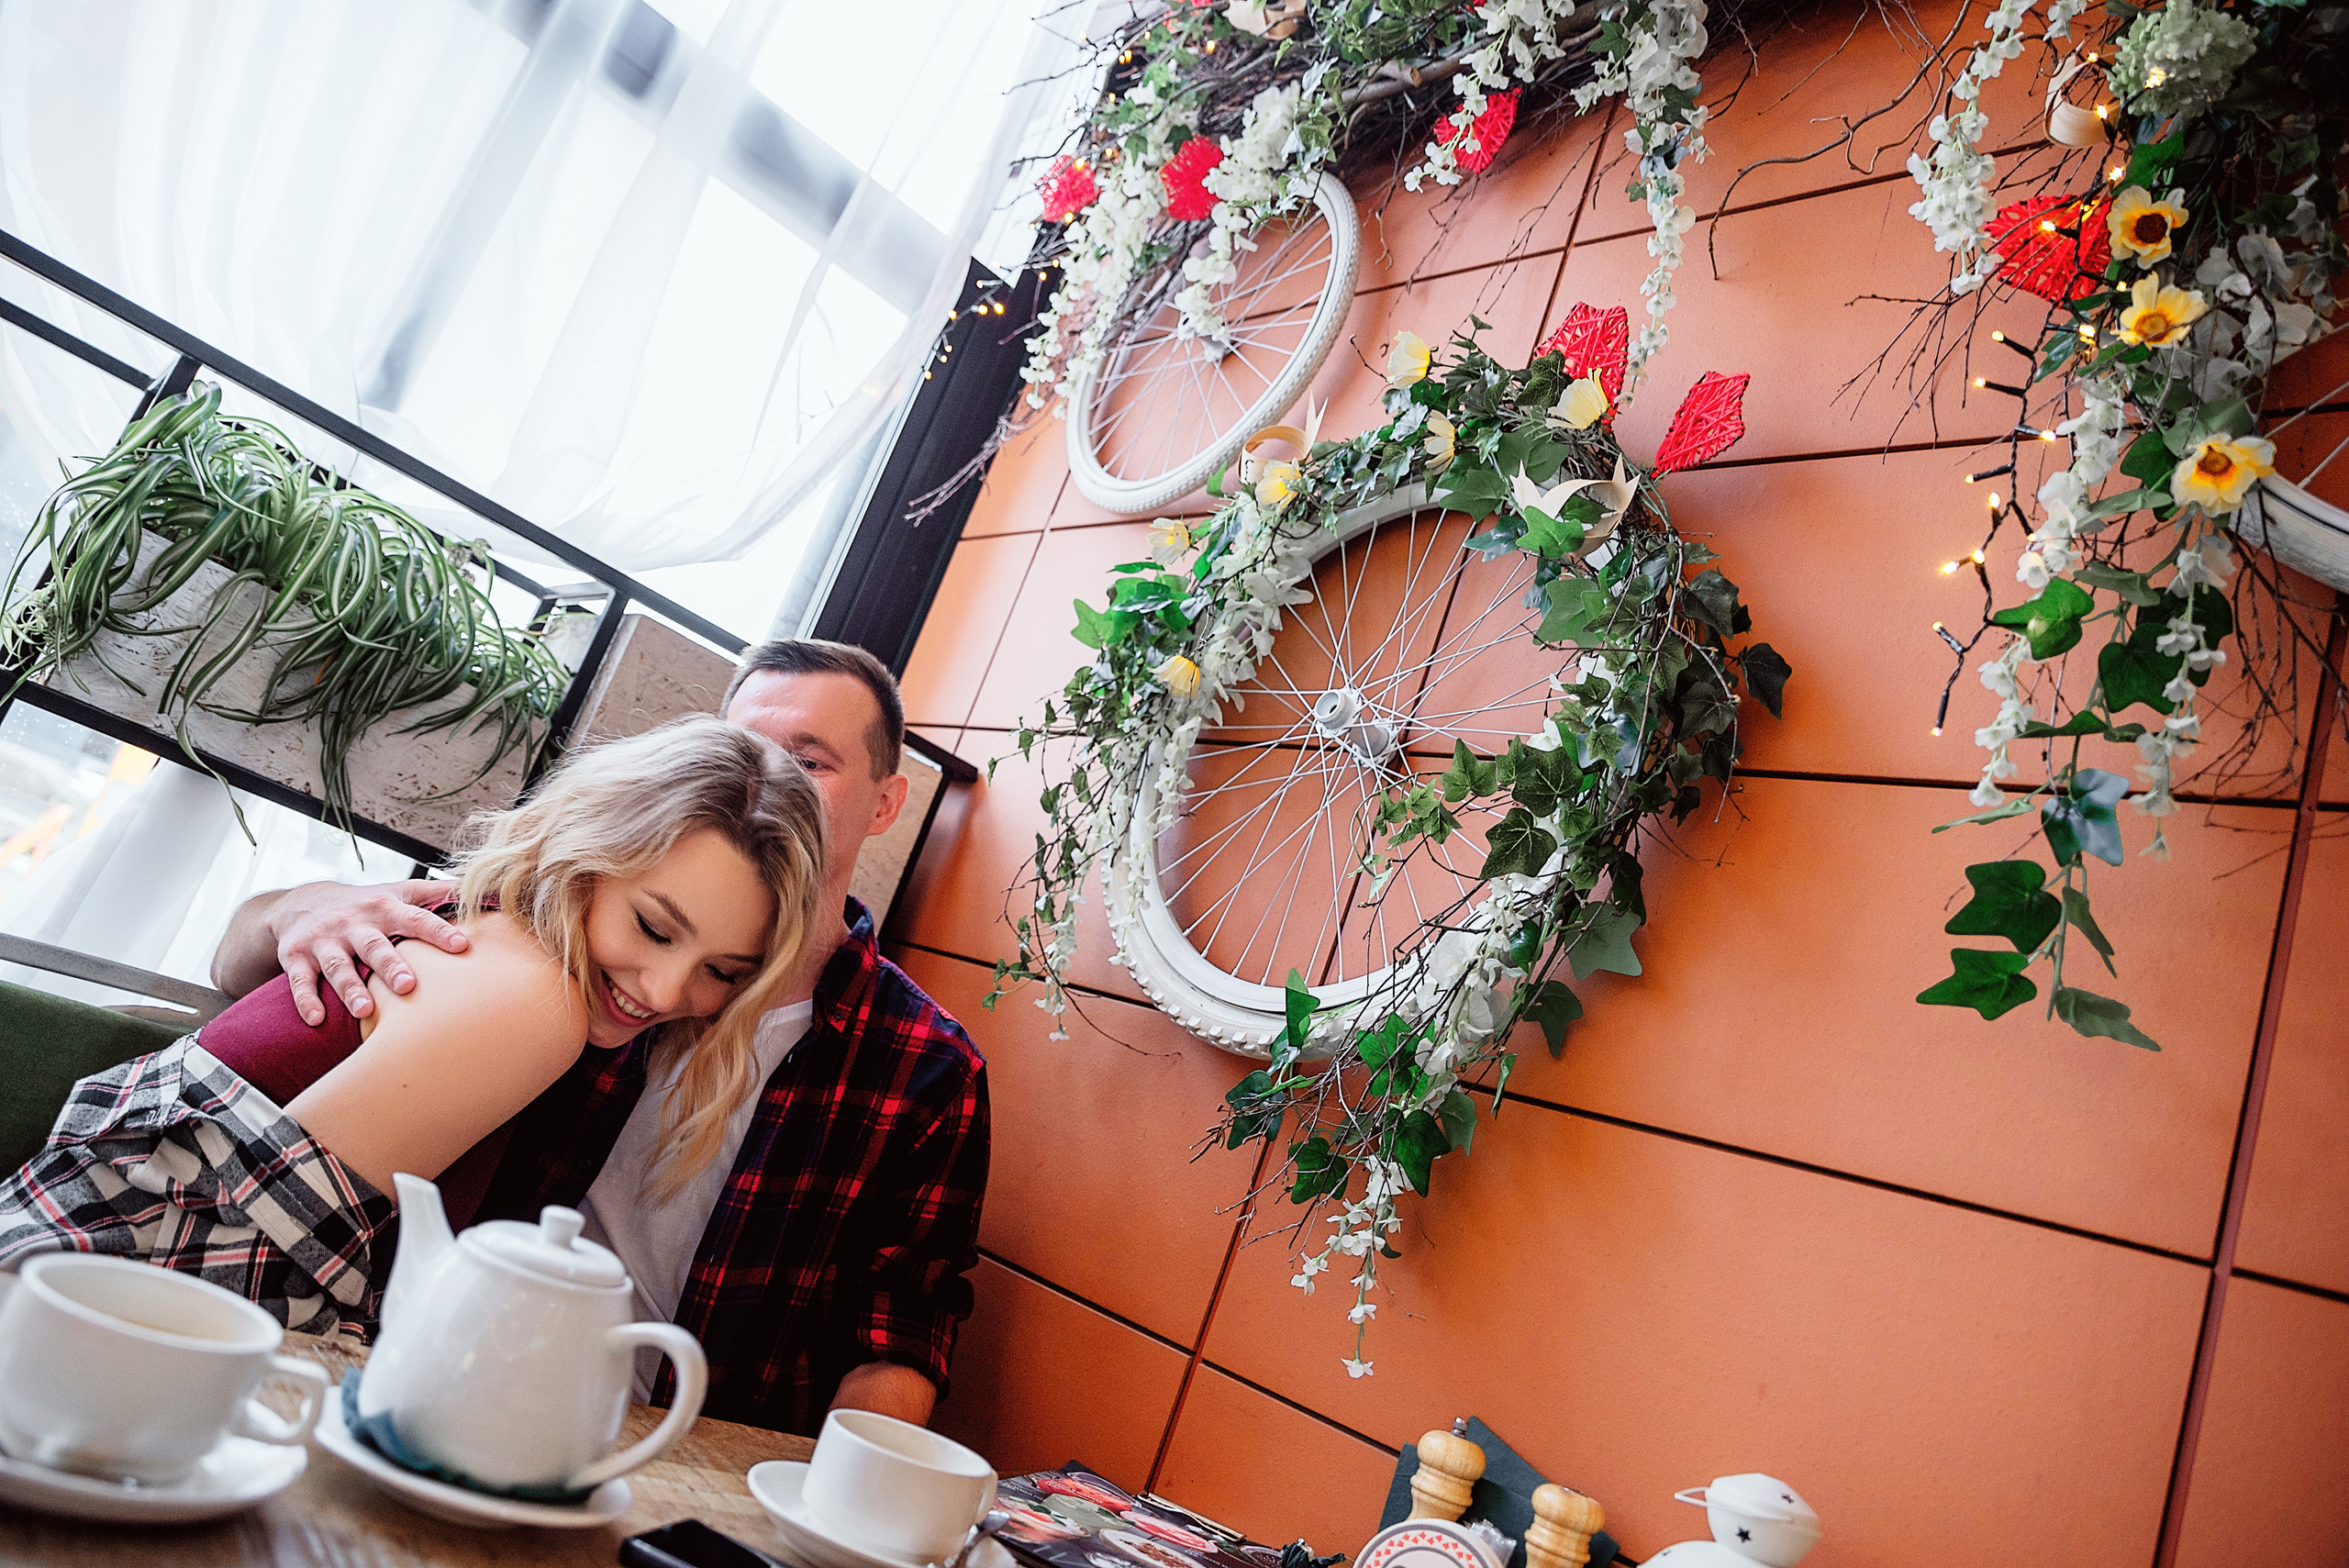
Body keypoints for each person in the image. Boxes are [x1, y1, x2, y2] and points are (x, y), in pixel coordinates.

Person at [207, 639, 989, 1434]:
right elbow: (256, 992)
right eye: (750, 746)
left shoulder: (926, 1066)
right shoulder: (578, 932)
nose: (773, 778)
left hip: (686, 1437)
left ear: (886, 804)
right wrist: (297, 907)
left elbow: (900, 1328)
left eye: (811, 761)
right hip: (444, 1376)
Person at [0, 717, 827, 1343]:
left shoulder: (482, 916)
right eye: (654, 926)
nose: (666, 990)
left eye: (725, 971)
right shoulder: (535, 1003)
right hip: (68, 1317)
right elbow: (227, 1265)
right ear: (588, 852)